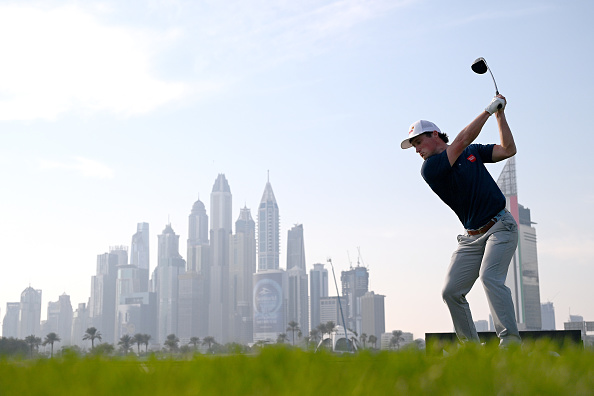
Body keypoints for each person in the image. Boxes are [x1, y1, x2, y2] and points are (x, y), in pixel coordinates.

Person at [402, 94, 521, 347]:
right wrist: (489, 110)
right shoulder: (430, 168)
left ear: (435, 135)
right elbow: (462, 139)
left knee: (490, 278)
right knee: (451, 292)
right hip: (471, 238)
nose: (416, 149)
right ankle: (471, 350)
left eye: (418, 142)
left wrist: (500, 115)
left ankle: (510, 342)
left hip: (501, 226)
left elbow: (508, 150)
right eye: (413, 146)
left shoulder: (472, 153)